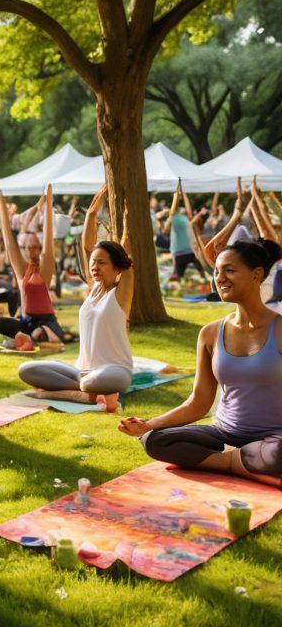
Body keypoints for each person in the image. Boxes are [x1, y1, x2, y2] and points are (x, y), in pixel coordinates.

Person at [119, 238, 282, 487]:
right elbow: (198, 402)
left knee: (278, 454)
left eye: (229, 270)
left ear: (256, 274)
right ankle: (237, 462)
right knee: (154, 439)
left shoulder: (279, 329)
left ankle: (230, 461)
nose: (220, 278)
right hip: (224, 434)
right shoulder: (210, 333)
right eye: (216, 272)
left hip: (274, 439)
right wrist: (148, 424)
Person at [17, 185, 134, 410]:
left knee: (90, 382)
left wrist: (127, 214)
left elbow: (127, 249)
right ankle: (86, 395)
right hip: (81, 370)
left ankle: (62, 393)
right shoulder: (93, 287)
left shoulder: (121, 293)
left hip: (115, 370)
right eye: (93, 263)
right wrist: (91, 213)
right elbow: (87, 246)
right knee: (26, 370)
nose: (95, 267)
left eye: (102, 263)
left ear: (117, 267)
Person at [0, 187, 64, 350]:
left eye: (35, 247)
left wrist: (48, 202)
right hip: (26, 321)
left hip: (45, 322)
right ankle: (27, 338)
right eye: (29, 247)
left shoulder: (44, 268)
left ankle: (32, 338)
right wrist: (1, 203)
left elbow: (48, 239)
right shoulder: (22, 270)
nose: (32, 251)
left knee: (37, 333)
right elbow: (9, 240)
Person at [165, 181, 207, 281]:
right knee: (197, 269)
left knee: (180, 273)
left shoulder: (183, 221)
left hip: (181, 252)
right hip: (184, 252)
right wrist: (180, 195)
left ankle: (177, 276)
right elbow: (182, 211)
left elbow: (187, 211)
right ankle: (178, 276)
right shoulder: (177, 220)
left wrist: (181, 195)